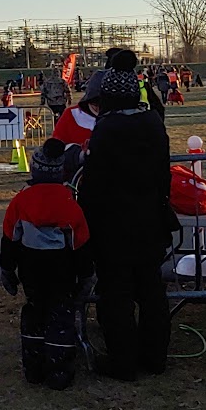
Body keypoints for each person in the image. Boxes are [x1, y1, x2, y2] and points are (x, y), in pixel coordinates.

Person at [76, 59, 173, 380]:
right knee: (151, 291)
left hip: (114, 224)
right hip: (151, 219)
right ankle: (155, 357)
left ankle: (124, 361)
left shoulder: (107, 128)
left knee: (116, 294)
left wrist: (87, 216)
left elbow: (95, 183)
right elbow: (163, 173)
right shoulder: (153, 122)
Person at [0, 139, 91, 389]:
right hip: (62, 270)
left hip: (30, 268)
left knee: (34, 312)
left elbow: (9, 237)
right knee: (61, 316)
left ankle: (34, 368)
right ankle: (59, 371)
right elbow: (81, 243)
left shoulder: (21, 201)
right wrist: (85, 275)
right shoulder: (69, 203)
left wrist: (7, 269)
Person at [51, 72, 101, 147]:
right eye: (95, 104)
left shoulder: (117, 117)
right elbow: (56, 144)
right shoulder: (72, 115)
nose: (99, 108)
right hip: (57, 102)